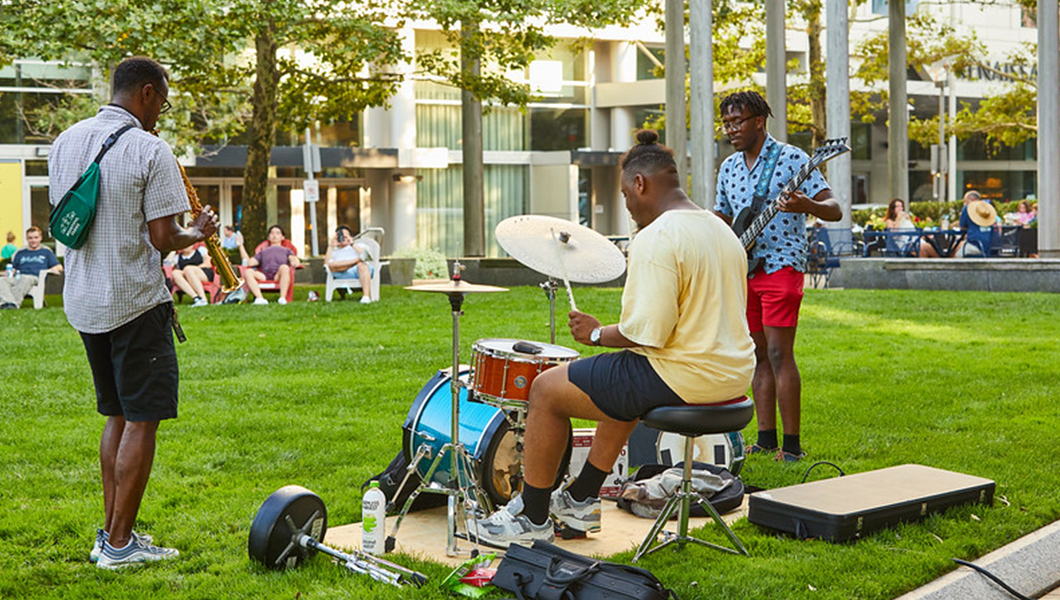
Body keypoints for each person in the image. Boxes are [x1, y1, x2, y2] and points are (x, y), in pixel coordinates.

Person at [469, 130, 755, 547]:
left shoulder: (657, 236)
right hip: (733, 374)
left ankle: (532, 518)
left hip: (684, 374)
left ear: (641, 183)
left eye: (625, 195)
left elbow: (647, 333)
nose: (628, 207)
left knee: (546, 389)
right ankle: (581, 500)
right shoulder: (719, 228)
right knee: (614, 384)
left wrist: (595, 333)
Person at [48, 56, 219, 569]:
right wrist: (202, 231)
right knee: (142, 420)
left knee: (115, 415)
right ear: (146, 93)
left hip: (84, 301)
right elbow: (164, 238)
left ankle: (111, 533)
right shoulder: (149, 148)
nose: (161, 113)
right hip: (135, 303)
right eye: (161, 102)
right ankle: (120, 544)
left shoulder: (65, 141)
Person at [713, 90, 841, 463]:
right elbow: (723, 216)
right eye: (726, 123)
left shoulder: (792, 158)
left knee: (778, 352)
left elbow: (833, 209)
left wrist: (807, 205)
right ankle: (765, 439)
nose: (731, 129)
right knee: (757, 355)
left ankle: (793, 446)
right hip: (744, 269)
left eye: (737, 122)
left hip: (782, 265)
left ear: (759, 121)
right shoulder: (729, 167)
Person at [0, 226, 62, 309]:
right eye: (30, 238)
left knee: (26, 278)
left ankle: (13, 304)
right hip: (18, 277)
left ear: (40, 238)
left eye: (36, 237)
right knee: (2, 280)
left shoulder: (46, 252)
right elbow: (13, 270)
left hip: (34, 278)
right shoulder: (20, 253)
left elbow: (59, 267)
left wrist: (51, 270)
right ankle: (8, 303)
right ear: (27, 239)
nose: (33, 240)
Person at [239, 224, 299, 305]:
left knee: (284, 267)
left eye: (277, 233)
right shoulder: (262, 251)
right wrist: (240, 246)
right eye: (272, 233)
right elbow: (249, 262)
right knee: (248, 272)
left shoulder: (287, 250)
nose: (274, 235)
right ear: (268, 237)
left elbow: (293, 258)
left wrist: (295, 261)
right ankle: (260, 299)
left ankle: (282, 298)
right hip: (264, 275)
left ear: (282, 237)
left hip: (278, 275)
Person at [325, 225, 373, 303]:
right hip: (343, 272)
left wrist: (352, 243)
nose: (343, 238)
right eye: (340, 236)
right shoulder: (334, 250)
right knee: (332, 266)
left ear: (351, 236)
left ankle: (366, 297)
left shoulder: (359, 245)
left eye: (345, 236)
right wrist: (330, 246)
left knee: (361, 264)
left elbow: (366, 256)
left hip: (361, 270)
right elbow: (327, 264)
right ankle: (357, 260)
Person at [169, 242, 214, 307]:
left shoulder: (201, 250)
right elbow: (167, 263)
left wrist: (192, 270)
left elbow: (209, 263)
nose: (186, 246)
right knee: (175, 273)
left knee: (188, 269)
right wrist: (173, 251)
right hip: (187, 277)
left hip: (203, 273)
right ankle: (196, 298)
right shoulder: (177, 257)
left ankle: (203, 299)